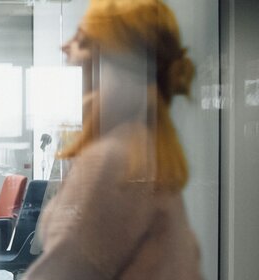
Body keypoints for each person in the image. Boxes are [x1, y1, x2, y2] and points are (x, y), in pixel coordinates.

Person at [23, 0, 202, 279]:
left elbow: (61, 273)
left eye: (81, 40)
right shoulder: (142, 146)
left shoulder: (115, 159)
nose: (64, 46)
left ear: (113, 60)